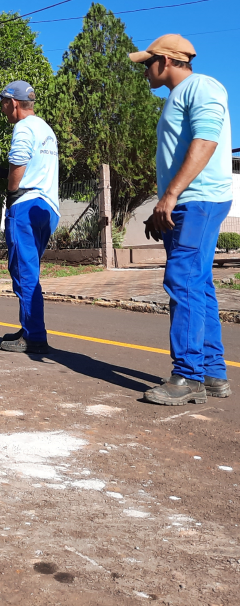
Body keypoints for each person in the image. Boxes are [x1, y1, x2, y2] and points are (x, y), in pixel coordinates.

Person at [130, 35, 233, 405]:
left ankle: (188, 377)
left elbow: (205, 141)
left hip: (198, 199)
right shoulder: (178, 95)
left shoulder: (201, 86)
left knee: (183, 280)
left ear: (167, 60)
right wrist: (164, 204)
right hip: (188, 201)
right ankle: (212, 373)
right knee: (199, 284)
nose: (144, 70)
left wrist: (172, 196)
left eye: (147, 63)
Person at [0, 80, 60, 353]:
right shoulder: (45, 129)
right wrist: (4, 171)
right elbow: (34, 167)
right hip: (47, 207)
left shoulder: (23, 127)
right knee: (30, 269)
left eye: (4, 104)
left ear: (13, 103)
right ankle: (29, 327)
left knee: (24, 271)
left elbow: (19, 160)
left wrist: (11, 191)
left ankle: (35, 336)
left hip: (26, 207)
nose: (3, 110)